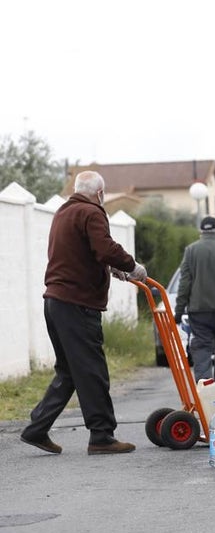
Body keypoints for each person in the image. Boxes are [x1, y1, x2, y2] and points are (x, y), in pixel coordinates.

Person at [20, 170, 147, 455]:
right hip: (78, 304)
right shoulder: (92, 212)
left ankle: (37, 429)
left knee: (69, 371)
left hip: (55, 302)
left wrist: (111, 269)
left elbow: (79, 253)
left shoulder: (63, 213)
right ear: (100, 193)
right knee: (92, 371)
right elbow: (105, 248)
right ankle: (102, 436)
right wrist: (131, 266)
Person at [174, 216, 215, 398]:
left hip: (198, 311)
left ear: (201, 231)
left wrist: (178, 311)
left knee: (202, 348)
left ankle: (204, 390)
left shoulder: (191, 251)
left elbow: (185, 283)